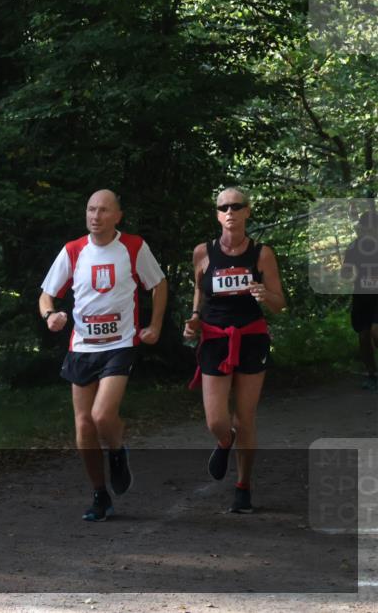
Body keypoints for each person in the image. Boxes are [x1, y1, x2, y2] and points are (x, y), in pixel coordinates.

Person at [39, 189, 167, 522]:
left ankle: (116, 452)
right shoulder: (73, 251)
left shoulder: (134, 247)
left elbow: (159, 284)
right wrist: (50, 315)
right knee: (83, 427)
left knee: (101, 416)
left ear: (117, 216)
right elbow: (46, 295)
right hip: (82, 347)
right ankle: (100, 494)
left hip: (120, 344)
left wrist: (154, 325)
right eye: (91, 209)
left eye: (103, 210)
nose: (95, 216)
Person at [183, 187, 285, 514]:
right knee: (216, 420)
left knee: (245, 418)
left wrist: (263, 294)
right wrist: (195, 319)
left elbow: (280, 303)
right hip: (215, 338)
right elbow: (199, 291)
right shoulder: (203, 252)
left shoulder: (261, 254)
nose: (230, 211)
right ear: (217, 214)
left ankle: (243, 486)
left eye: (236, 206)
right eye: (223, 207)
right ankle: (223, 442)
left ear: (247, 212)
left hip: (251, 337)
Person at [341, 210, 378, 391]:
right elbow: (345, 273)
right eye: (367, 227)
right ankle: (372, 374)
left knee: (375, 332)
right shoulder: (354, 248)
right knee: (363, 336)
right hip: (362, 296)